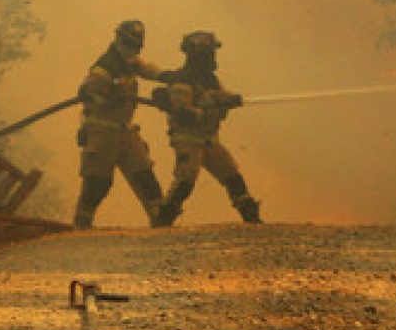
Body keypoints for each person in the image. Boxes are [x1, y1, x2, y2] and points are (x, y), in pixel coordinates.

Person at [152, 30, 262, 227]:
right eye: (210, 52)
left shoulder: (210, 79)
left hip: (210, 140)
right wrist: (211, 109)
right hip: (188, 140)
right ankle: (162, 222)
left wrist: (230, 100)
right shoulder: (183, 79)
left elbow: (221, 96)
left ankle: (252, 219)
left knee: (231, 175)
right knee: (185, 181)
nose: (213, 57)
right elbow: (182, 114)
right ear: (199, 53)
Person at [72, 19, 165, 229]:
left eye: (136, 47)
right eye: (130, 45)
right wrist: (110, 97)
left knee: (145, 176)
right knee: (97, 184)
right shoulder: (103, 68)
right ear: (120, 40)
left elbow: (148, 69)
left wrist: (171, 77)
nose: (133, 51)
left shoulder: (129, 61)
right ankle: (81, 226)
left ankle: (162, 226)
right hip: (102, 133)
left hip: (125, 131)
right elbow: (85, 93)